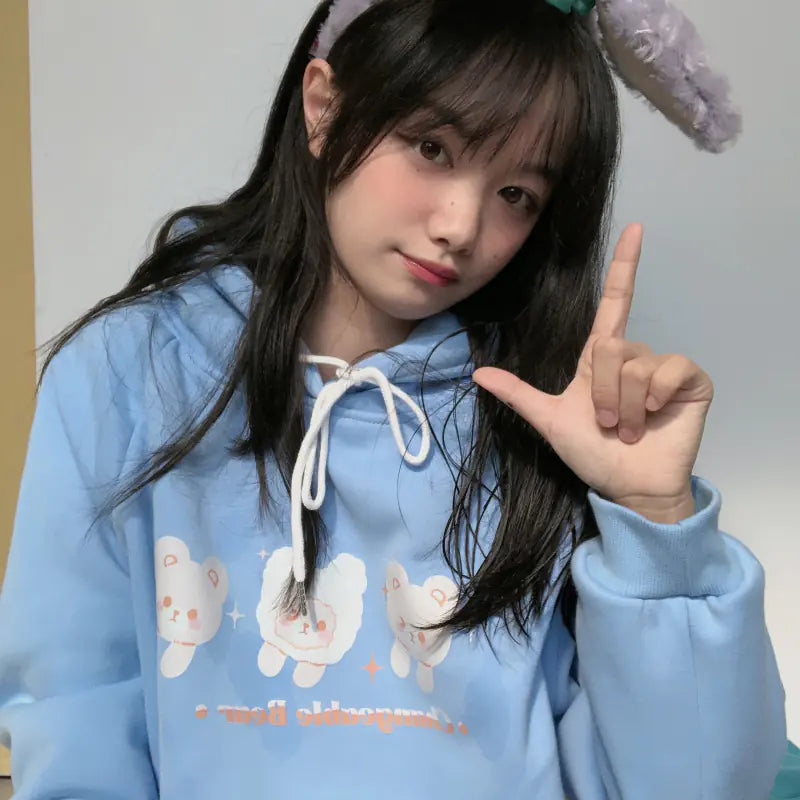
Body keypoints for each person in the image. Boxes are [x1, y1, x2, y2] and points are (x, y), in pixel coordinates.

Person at [0, 0, 787, 796]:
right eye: (432, 148)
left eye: (517, 194)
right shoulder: (128, 374)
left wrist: (656, 521)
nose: (461, 225)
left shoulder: (546, 419)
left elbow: (698, 786)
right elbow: (74, 721)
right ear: (323, 106)